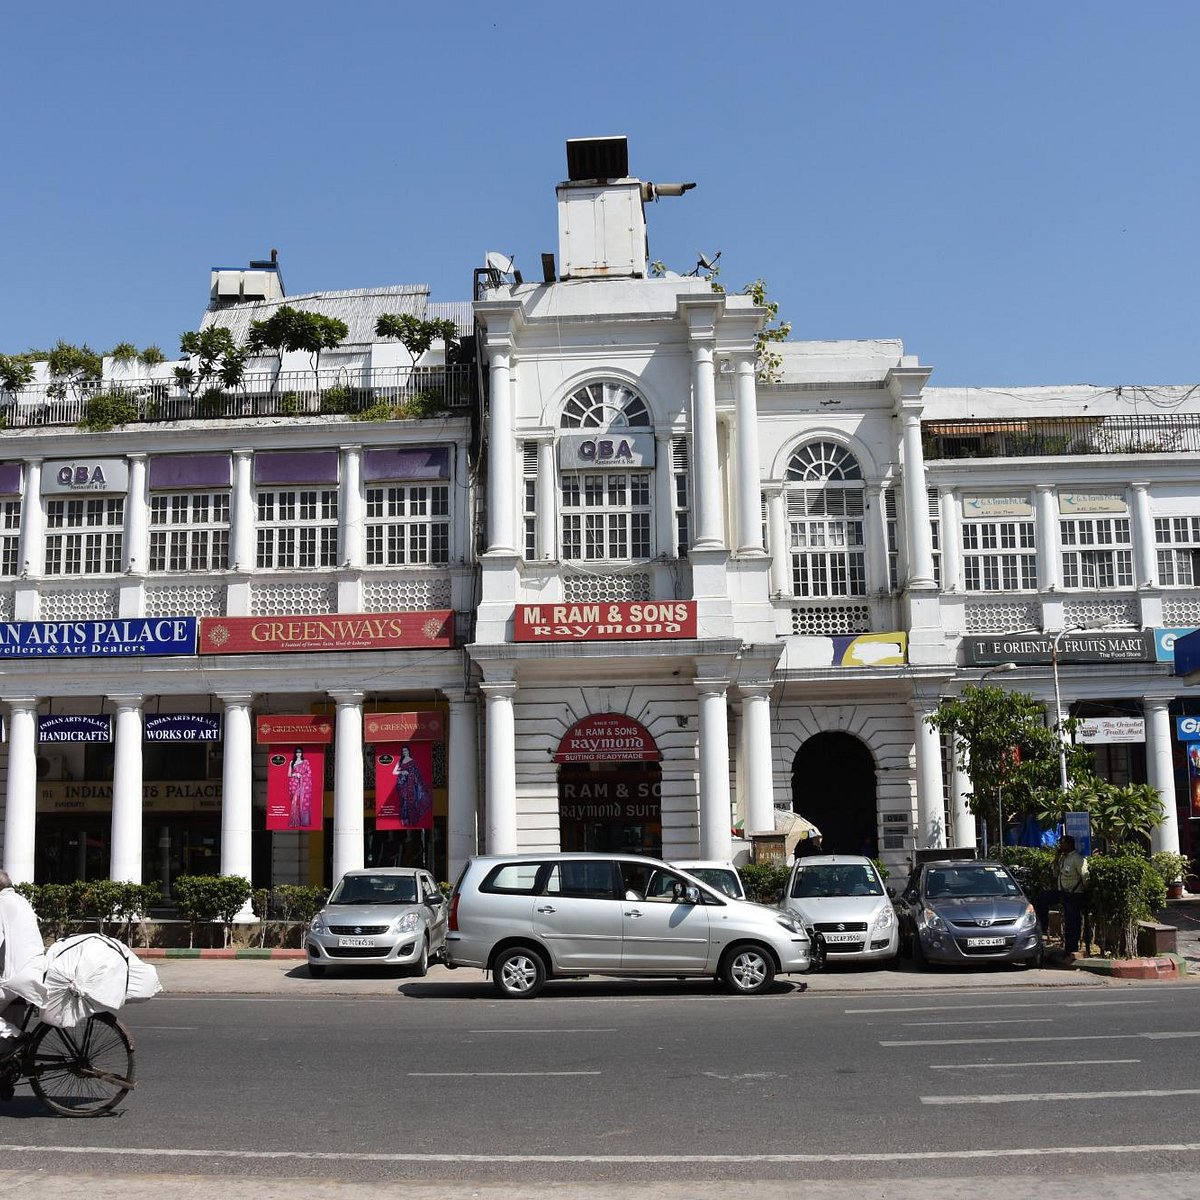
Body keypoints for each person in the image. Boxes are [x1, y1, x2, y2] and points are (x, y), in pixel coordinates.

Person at [0, 870, 48, 1057]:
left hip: (15, 979)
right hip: (32, 972)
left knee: (10, 1035)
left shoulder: (1, 904)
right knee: (7, 1052)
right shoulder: (21, 901)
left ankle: (17, 1036)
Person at [1035, 834, 1089, 954]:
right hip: (1062, 892)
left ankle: (1071, 949)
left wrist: (1085, 891)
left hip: (1074, 894)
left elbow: (1085, 876)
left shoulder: (1077, 859)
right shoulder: (1063, 858)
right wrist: (1056, 857)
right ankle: (1043, 927)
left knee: (1071, 921)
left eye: (1063, 843)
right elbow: (1055, 874)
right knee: (1043, 897)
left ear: (1070, 844)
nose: (1060, 845)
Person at [393, 744, 432, 829]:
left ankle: (412, 820)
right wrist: (402, 772)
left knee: (411, 801)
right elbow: (394, 772)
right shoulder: (400, 761)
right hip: (402, 785)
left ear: (409, 751)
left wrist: (409, 774)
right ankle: (405, 820)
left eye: (406, 751)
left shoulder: (413, 761)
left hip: (411, 785)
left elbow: (417, 775)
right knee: (404, 802)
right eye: (403, 751)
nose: (404, 752)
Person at [287, 747, 313, 828]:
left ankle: (304, 821)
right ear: (295, 753)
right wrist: (295, 774)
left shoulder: (305, 762)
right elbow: (289, 774)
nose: (298, 754)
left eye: (300, 752)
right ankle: (295, 821)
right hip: (293, 784)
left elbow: (309, 773)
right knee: (295, 802)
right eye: (297, 752)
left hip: (303, 784)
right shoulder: (292, 762)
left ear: (302, 753)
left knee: (303, 801)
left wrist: (301, 776)